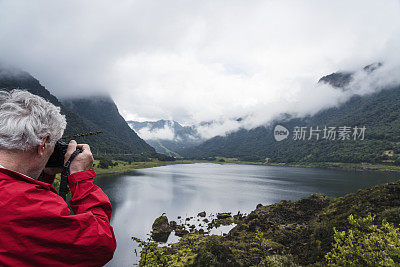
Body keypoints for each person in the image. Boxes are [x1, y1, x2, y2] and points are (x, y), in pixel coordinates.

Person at [0, 89, 116, 266]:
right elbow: (100, 244)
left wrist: (45, 174)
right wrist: (80, 177)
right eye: (53, 144)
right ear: (43, 144)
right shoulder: (26, 204)